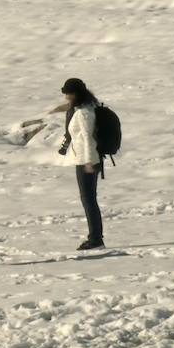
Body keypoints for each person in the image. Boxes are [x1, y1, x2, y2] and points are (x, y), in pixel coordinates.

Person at [58, 78, 105, 250]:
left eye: (69, 94)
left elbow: (88, 139)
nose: (66, 97)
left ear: (77, 93)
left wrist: (89, 162)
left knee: (89, 200)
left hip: (87, 161)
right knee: (89, 199)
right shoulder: (82, 108)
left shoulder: (84, 113)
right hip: (86, 160)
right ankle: (95, 237)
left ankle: (96, 239)